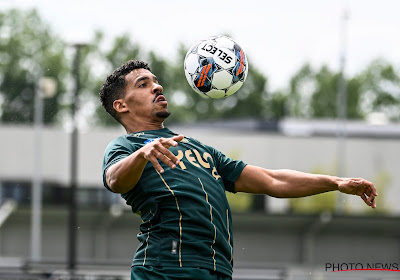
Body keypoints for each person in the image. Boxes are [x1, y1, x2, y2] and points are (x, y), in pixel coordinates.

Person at [100, 60, 377, 280]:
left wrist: (335, 182)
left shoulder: (199, 149)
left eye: (156, 82)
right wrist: (140, 155)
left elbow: (272, 180)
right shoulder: (124, 147)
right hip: (167, 266)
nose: (157, 88)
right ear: (121, 105)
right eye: (144, 84)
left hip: (217, 268)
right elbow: (114, 180)